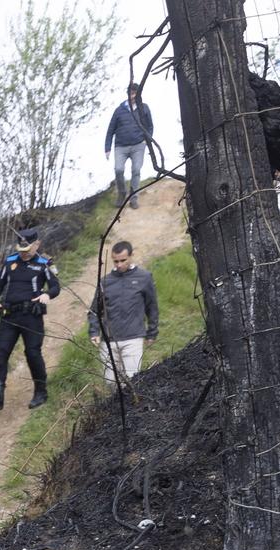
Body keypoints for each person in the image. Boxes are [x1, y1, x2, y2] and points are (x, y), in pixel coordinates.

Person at [0, 227, 60, 412]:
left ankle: (41, 392)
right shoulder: (10, 262)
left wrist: (47, 295)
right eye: (20, 250)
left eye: (27, 250)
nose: (23, 254)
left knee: (32, 353)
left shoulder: (44, 263)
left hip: (32, 316)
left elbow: (55, 286)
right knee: (0, 352)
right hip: (9, 315)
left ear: (36, 244)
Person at [86, 241, 160, 385]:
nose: (119, 265)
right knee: (111, 382)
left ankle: (134, 407)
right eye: (115, 261)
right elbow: (95, 309)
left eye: (123, 260)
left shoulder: (144, 278)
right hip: (109, 340)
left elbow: (152, 307)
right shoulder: (105, 282)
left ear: (131, 256)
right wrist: (94, 332)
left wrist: (152, 332)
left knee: (132, 380)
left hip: (133, 338)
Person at [104, 83, 155, 208]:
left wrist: (146, 141)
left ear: (138, 94)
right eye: (130, 93)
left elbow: (150, 126)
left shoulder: (144, 108)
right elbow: (110, 130)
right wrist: (107, 148)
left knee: (136, 170)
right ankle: (122, 193)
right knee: (118, 169)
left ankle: (134, 198)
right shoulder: (119, 110)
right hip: (120, 146)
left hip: (138, 145)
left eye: (134, 93)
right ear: (127, 93)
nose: (132, 95)